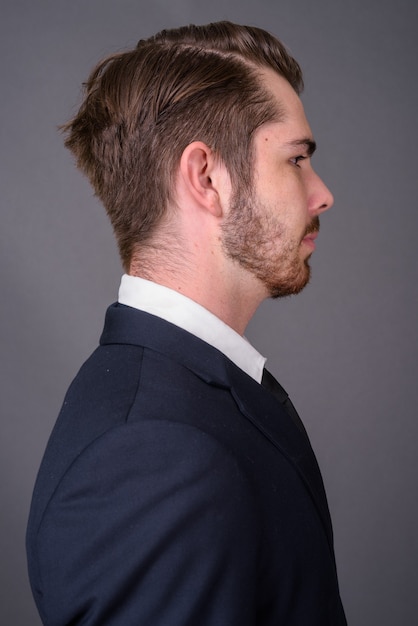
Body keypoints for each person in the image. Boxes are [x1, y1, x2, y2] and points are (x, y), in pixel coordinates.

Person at [26, 21, 347, 625]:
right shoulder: (151, 457)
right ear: (206, 178)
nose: (322, 193)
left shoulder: (189, 400)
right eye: (297, 159)